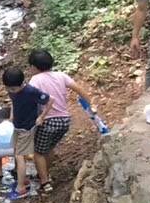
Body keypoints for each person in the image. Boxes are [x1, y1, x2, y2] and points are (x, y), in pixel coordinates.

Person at [28, 48, 98, 194]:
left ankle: (45, 181)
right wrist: (91, 103)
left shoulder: (35, 80)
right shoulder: (61, 75)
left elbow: (31, 101)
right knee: (49, 148)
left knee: (38, 152)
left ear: (34, 67)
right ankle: (46, 173)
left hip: (48, 121)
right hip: (64, 121)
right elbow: (78, 89)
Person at [2, 67, 49, 200]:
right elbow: (13, 100)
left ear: (22, 83)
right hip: (17, 126)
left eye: (13, 89)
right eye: (9, 89)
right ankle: (24, 180)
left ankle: (21, 188)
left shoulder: (31, 91)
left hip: (27, 129)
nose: (11, 92)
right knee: (16, 151)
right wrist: (12, 115)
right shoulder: (13, 91)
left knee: (19, 156)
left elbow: (50, 100)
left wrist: (42, 117)